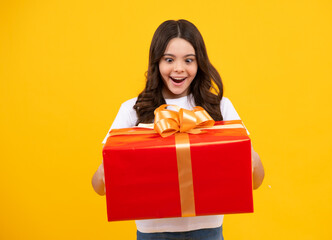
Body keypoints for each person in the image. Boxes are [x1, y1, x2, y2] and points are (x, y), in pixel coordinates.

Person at [92, 19, 264, 240]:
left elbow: (256, 181)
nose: (179, 68)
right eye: (169, 59)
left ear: (199, 63)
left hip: (208, 232)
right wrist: (106, 170)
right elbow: (100, 187)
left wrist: (251, 158)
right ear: (157, 62)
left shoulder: (220, 107)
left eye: (189, 60)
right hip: (152, 234)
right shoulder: (132, 110)